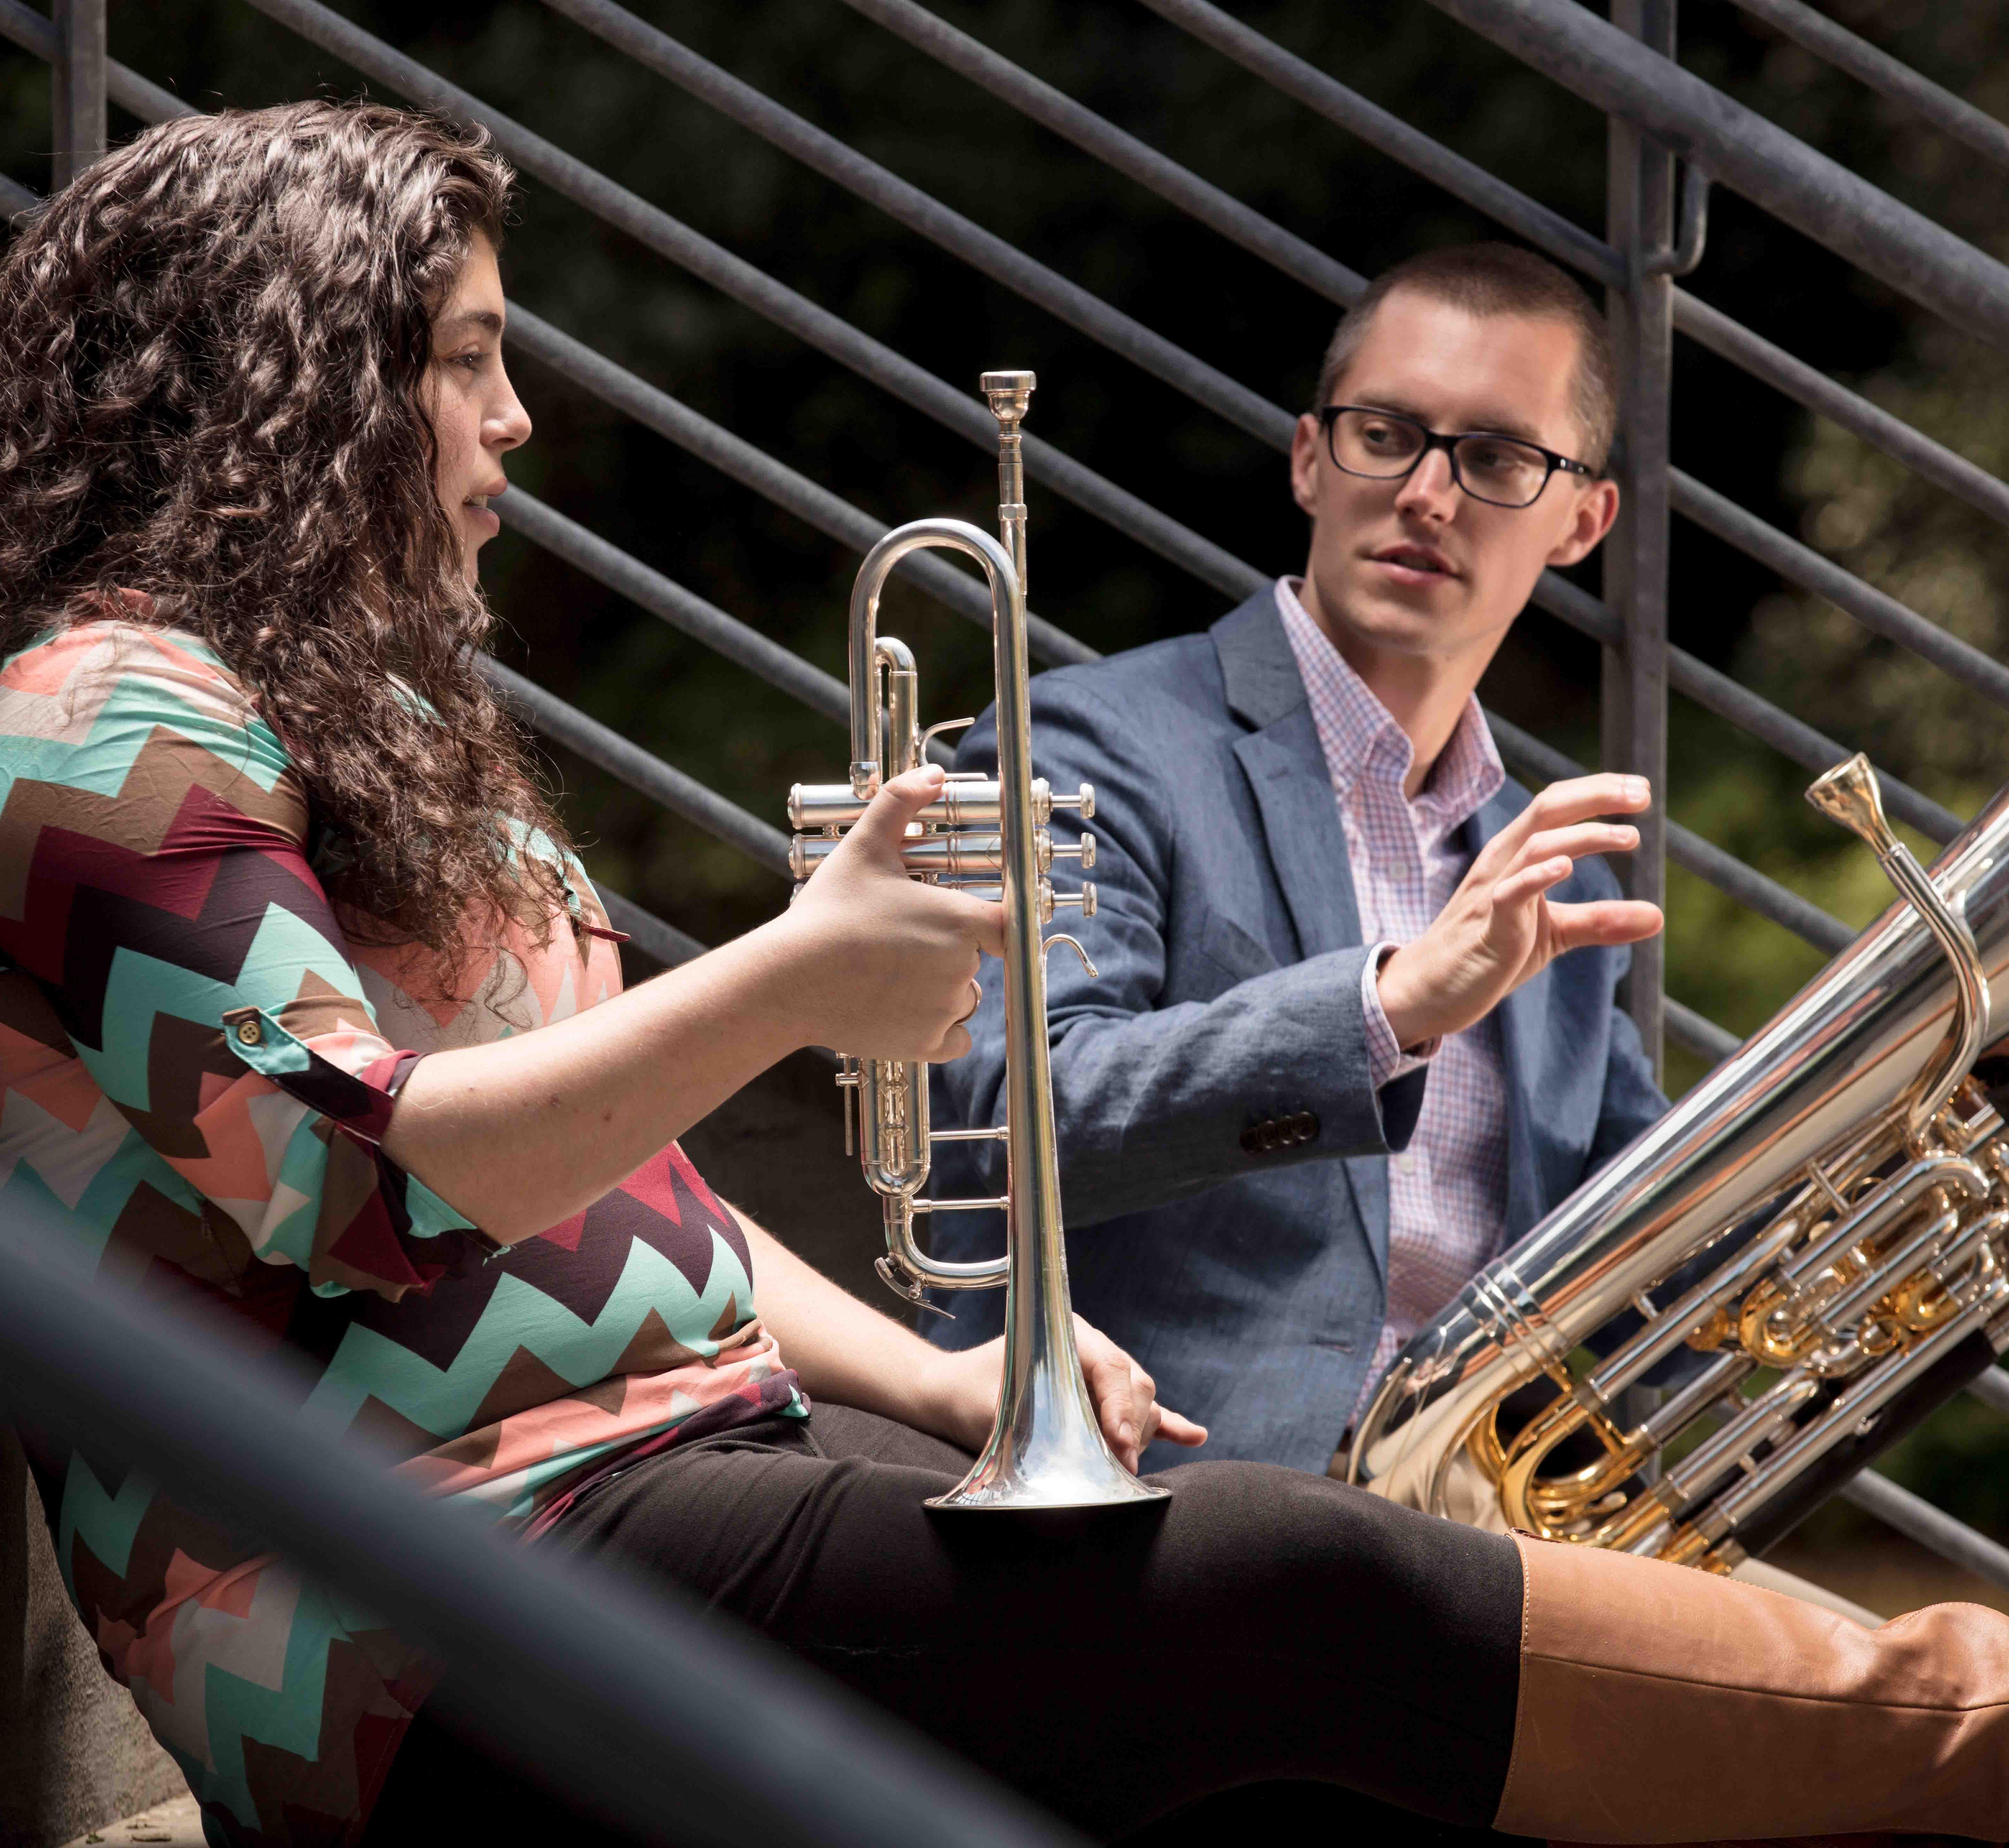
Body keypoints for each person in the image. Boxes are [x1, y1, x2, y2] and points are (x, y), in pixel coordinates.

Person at [4, 102, 2008, 1848]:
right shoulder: (94, 723)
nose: (517, 417)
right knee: (1290, 1591)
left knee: (1287, 1723)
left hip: (669, 1478)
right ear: (297, 383)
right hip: (411, 1605)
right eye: (464, 357)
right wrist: (799, 974)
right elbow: (357, 1188)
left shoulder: (366, 723)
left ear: (1582, 519)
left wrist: (946, 1372)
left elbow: (638, 1191)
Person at [930, 244, 1671, 1476]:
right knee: (1892, 1678)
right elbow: (1010, 1125)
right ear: (1309, 459)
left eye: (1495, 460)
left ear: (1582, 522)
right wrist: (1385, 1007)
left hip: (1479, 1502)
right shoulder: (1091, 742)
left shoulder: (1557, 876)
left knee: (1930, 1657)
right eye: (1386, 433)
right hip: (1174, 1485)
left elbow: (1672, 1251)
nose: (1428, 494)